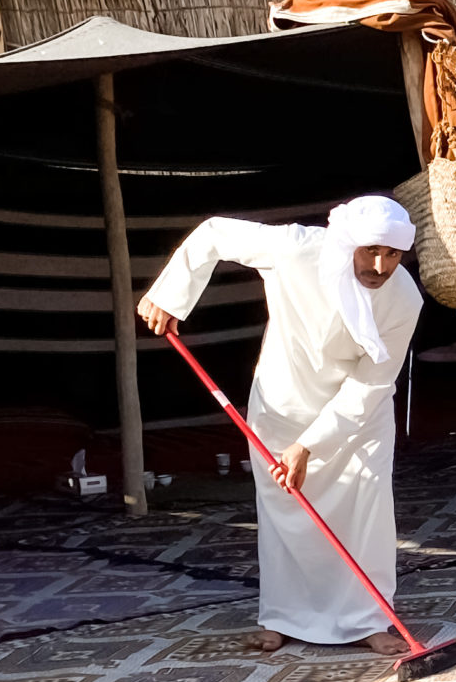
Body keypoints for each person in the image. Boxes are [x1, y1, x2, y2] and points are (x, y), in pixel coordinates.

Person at [136, 196, 422, 655]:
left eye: (392, 254)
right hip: (283, 402)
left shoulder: (404, 297)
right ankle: (283, 617)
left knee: (366, 509)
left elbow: (371, 383)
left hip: (357, 417)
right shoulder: (297, 248)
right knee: (285, 513)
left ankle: (369, 620)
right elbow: (214, 232)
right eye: (371, 251)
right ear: (348, 242)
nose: (380, 266)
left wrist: (310, 445)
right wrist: (169, 297)